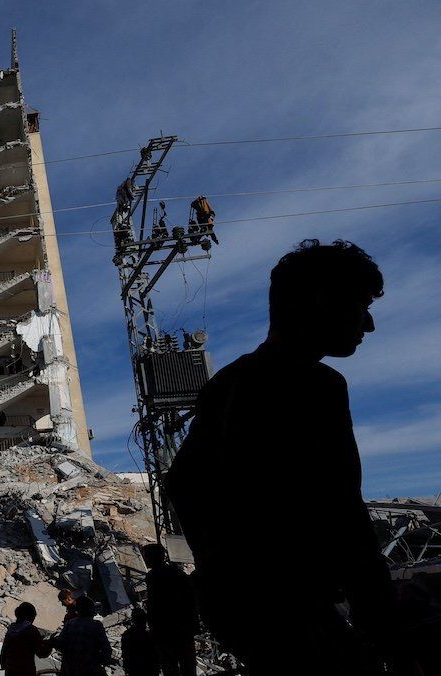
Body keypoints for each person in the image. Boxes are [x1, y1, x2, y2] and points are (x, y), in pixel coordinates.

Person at [166, 240, 399, 675]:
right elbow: (343, 509)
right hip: (292, 607)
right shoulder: (318, 385)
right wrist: (385, 625)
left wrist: (219, 569)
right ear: (322, 300)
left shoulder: (229, 382)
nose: (367, 324)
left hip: (246, 609)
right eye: (359, 305)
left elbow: (181, 482)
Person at [139, 544, 196, 676]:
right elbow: (191, 600)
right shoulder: (178, 573)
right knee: (188, 665)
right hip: (183, 628)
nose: (145, 560)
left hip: (165, 630)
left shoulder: (153, 577)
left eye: (147, 556)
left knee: (170, 667)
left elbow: (155, 606)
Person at [50, 596, 110, 676]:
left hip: (69, 668)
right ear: (91, 609)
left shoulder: (69, 624)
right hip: (89, 668)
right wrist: (100, 660)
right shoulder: (96, 625)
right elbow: (106, 649)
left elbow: (60, 644)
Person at [0, 602, 49, 676]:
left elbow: (4, 652)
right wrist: (50, 644)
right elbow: (41, 653)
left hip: (10, 670)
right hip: (25, 670)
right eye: (33, 616)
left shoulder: (11, 629)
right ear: (30, 616)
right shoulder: (31, 630)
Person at [120, 607, 160, 676]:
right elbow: (156, 654)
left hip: (135, 669)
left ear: (133, 620)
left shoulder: (126, 635)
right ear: (144, 620)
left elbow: (125, 655)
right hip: (149, 668)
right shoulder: (148, 635)